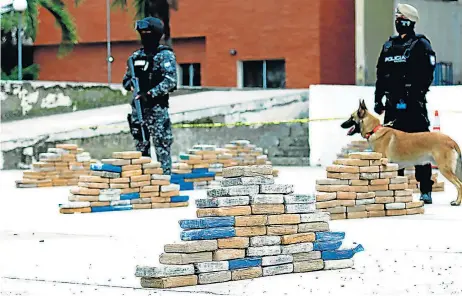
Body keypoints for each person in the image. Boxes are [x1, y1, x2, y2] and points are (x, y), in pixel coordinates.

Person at [374, 3, 437, 204]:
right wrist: (378, 99)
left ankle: (425, 189)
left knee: (421, 146)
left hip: (414, 105)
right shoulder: (389, 46)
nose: (398, 21)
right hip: (393, 105)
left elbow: (427, 75)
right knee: (392, 150)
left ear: (410, 21)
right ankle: (396, 189)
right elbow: (380, 75)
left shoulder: (420, 45)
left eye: (401, 18)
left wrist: (414, 95)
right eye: (397, 17)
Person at [122, 16, 177, 175]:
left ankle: (165, 183)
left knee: (162, 148)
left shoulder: (164, 55)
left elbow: (171, 81)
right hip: (139, 110)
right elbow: (126, 79)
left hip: (157, 110)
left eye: (148, 32)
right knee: (141, 148)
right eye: (142, 32)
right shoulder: (135, 57)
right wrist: (129, 84)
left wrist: (150, 94)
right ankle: (145, 183)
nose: (144, 35)